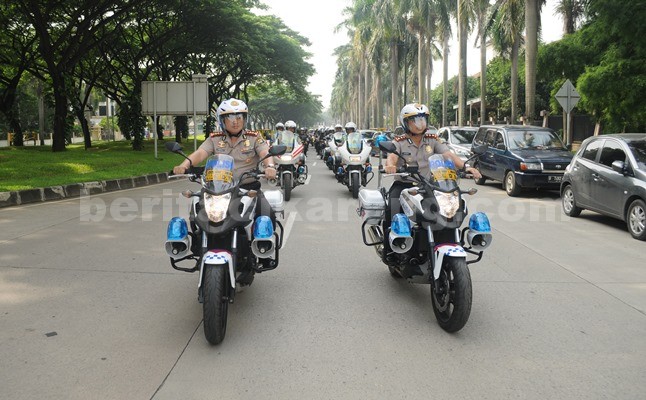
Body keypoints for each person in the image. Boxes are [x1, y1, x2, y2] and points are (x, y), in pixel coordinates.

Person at [172, 98, 278, 232]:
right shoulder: (214, 139)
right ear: (222, 120)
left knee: (268, 214)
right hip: (218, 189)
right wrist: (184, 165)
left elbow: (265, 152)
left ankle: (264, 249)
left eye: (239, 117)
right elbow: (200, 153)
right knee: (196, 214)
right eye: (230, 117)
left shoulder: (254, 137)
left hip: (247, 189)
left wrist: (270, 166)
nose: (235, 121)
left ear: (244, 119)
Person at [383, 103, 481, 245]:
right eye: (415, 120)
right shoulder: (400, 141)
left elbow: (448, 155)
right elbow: (392, 156)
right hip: (405, 184)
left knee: (446, 209)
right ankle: (391, 246)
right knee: (392, 208)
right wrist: (390, 166)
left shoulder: (432, 139)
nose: (420, 124)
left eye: (422, 119)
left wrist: (466, 167)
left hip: (430, 185)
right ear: (406, 123)